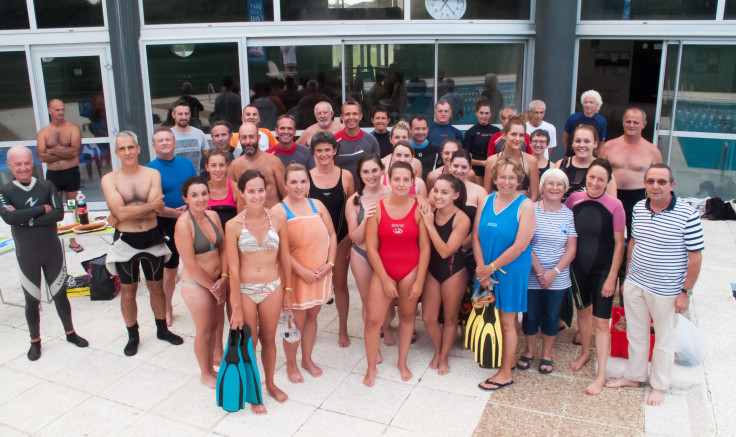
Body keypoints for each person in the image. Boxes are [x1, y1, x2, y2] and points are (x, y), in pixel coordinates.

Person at [606, 163, 704, 406]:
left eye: (661, 182)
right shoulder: (639, 207)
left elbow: (695, 257)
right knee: (635, 334)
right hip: (636, 284)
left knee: (663, 339)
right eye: (650, 181)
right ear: (645, 184)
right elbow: (633, 243)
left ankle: (659, 385)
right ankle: (634, 376)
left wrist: (685, 293)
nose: (655, 186)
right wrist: (628, 277)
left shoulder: (688, 215)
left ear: (672, 184)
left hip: (667, 291)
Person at [0, 146, 88, 361]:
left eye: (26, 163)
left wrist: (24, 218)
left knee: (60, 295)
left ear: (33, 163)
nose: (23, 168)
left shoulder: (46, 185)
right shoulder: (4, 191)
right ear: (9, 165)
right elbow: (9, 219)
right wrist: (41, 209)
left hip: (52, 252)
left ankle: (70, 333)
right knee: (32, 300)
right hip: (27, 255)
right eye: (17, 164)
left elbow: (58, 214)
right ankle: (35, 342)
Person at [102, 131, 183, 357]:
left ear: (138, 149)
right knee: (128, 291)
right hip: (126, 240)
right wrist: (131, 211)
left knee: (156, 287)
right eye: (122, 148)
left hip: (152, 237)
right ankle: (133, 335)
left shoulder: (152, 174)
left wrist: (123, 213)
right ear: (117, 152)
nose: (127, 152)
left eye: (131, 147)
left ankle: (162, 330)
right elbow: (122, 211)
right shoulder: (109, 179)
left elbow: (158, 207)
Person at [226, 170, 292, 413]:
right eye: (251, 191)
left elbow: (285, 257)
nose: (257, 196)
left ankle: (271, 383)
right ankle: (254, 392)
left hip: (272, 287)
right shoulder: (232, 225)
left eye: (261, 190)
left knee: (269, 339)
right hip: (244, 290)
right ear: (241, 193)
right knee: (250, 342)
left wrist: (288, 290)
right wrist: (235, 307)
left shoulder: (278, 218)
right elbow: (233, 268)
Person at [363, 161, 430, 387]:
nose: (401, 183)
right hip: (385, 270)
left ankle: (402, 362)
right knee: (373, 320)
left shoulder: (419, 209)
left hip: (410, 271)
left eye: (406, 179)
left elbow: (425, 247)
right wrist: (384, 279)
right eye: (397, 179)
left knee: (407, 317)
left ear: (413, 182)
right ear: (388, 181)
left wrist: (420, 280)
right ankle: (371, 366)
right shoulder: (377, 209)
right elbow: (371, 248)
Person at [565, 158, 625, 395]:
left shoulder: (615, 205)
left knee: (602, 322)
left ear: (608, 181)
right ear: (585, 177)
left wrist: (612, 277)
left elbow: (619, 244)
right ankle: (586, 352)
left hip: (603, 270)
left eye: (601, 178)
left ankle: (601, 374)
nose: (595, 182)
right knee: (583, 312)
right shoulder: (573, 200)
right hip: (579, 268)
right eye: (591, 177)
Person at [272, 164, 337, 382]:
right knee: (295, 323)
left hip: (320, 274)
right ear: (285, 185)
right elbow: (279, 249)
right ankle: (291, 365)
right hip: (296, 278)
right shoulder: (279, 211)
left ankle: (307, 359)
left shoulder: (317, 204)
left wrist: (330, 263)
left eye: (303, 181)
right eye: (294, 182)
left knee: (312, 317)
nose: (299, 186)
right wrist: (302, 272)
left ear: (309, 183)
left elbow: (332, 235)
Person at [475, 157, 535, 391]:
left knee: (508, 321)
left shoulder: (525, 205)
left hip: (511, 270)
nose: (507, 181)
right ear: (495, 179)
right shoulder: (487, 200)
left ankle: (505, 372)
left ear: (519, 179)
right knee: (488, 313)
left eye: (512, 177)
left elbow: (521, 245)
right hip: (485, 268)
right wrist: (482, 271)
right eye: (502, 177)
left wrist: (490, 268)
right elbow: (476, 237)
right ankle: (492, 354)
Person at [518, 169, 577, 375]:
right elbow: (524, 243)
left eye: (559, 185)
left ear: (565, 189)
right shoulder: (531, 209)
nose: (554, 188)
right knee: (531, 314)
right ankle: (529, 351)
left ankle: (547, 354)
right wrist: (541, 271)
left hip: (558, 279)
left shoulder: (568, 214)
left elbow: (571, 248)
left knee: (552, 316)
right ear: (542, 187)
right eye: (550, 184)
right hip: (532, 275)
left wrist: (554, 272)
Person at [174, 176, 227, 388]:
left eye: (204, 193)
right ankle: (205, 373)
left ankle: (212, 365)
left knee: (215, 326)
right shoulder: (183, 225)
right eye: (194, 195)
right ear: (185, 198)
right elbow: (191, 264)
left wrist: (224, 277)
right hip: (197, 284)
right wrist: (213, 287)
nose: (200, 199)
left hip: (217, 282)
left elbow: (222, 248)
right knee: (204, 330)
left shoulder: (213, 215)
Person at [146, 127, 198, 326]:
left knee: (200, 262)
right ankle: (167, 306)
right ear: (154, 146)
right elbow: (152, 203)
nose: (165, 143)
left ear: (175, 143)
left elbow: (196, 188)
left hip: (191, 219)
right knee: (171, 269)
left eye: (169, 139)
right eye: (160, 140)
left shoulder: (186, 164)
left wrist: (190, 208)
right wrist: (173, 213)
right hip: (166, 223)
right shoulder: (150, 169)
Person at [307, 132, 355, 347]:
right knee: (315, 285)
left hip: (342, 238)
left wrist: (351, 243)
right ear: (313, 153)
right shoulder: (306, 178)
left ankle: (342, 329)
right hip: (316, 242)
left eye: (328, 149)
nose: (324, 154)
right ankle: (310, 326)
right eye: (319, 150)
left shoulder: (345, 176)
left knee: (340, 284)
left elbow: (352, 208)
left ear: (335, 151)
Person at [420, 174, 471, 375]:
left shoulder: (462, 219)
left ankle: (443, 357)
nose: (438, 196)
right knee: (428, 319)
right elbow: (416, 196)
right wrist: (421, 200)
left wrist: (430, 225)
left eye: (444, 192)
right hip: (432, 270)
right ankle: (440, 348)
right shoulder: (429, 208)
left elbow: (445, 251)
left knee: (450, 319)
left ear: (456, 195)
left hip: (453, 271)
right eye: (435, 191)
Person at [346, 154, 396, 355]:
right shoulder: (355, 201)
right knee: (369, 303)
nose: (371, 175)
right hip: (361, 254)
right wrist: (366, 219)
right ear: (360, 174)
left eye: (375, 170)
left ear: (382, 171)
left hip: (387, 255)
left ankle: (387, 325)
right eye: (366, 171)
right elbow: (355, 238)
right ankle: (373, 347)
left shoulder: (393, 193)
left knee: (390, 303)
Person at [598, 108, 663, 238]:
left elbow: (659, 180)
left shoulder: (652, 151)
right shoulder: (609, 146)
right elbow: (598, 173)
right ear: (623, 123)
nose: (631, 125)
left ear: (644, 124)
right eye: (628, 121)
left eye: (636, 122)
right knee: (609, 236)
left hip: (638, 198)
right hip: (612, 195)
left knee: (637, 237)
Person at [36, 99, 84, 253]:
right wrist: (65, 153)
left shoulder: (72, 129)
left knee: (72, 207)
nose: (61, 112)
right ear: (50, 111)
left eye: (62, 109)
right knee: (54, 208)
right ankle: (54, 239)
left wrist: (50, 151)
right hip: (53, 175)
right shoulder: (43, 132)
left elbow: (75, 152)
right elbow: (41, 157)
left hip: (71, 173)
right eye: (57, 110)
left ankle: (73, 239)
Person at [228, 122, 286, 208]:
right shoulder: (234, 166)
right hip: (247, 218)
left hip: (272, 217)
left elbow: (286, 195)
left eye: (251, 137)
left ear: (258, 138)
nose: (248, 141)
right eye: (244, 137)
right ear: (239, 139)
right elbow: (232, 199)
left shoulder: (274, 162)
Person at [555, 125, 617, 201]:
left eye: (587, 141)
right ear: (572, 143)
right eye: (578, 141)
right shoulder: (561, 165)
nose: (582, 145)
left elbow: (612, 203)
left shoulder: (604, 169)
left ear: (595, 143)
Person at [484, 116, 539, 201]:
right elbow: (487, 194)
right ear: (504, 136)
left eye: (521, 135)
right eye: (513, 134)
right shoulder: (491, 161)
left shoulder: (531, 161)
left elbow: (534, 195)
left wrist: (523, 210)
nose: (517, 139)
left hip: (522, 209)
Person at [334, 100, 381, 190]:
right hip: (341, 193)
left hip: (366, 193)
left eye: (355, 114)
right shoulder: (333, 141)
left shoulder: (370, 141)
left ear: (360, 116)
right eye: (347, 114)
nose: (351, 117)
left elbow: (377, 170)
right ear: (342, 117)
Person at [463, 99, 500, 179]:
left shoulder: (496, 131)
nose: (484, 116)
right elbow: (465, 158)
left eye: (486, 113)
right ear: (476, 113)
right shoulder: (470, 132)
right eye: (481, 113)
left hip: (494, 172)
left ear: (490, 114)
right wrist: (483, 163)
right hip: (477, 173)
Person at [563, 90, 607, 155]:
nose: (588, 105)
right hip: (572, 156)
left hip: (591, 158)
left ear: (597, 104)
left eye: (591, 102)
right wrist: (571, 151)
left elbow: (601, 142)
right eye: (585, 102)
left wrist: (596, 156)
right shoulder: (573, 118)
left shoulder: (601, 120)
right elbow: (565, 139)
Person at [170, 99, 210, 172]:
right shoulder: (168, 135)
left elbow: (208, 157)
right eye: (180, 114)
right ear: (173, 114)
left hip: (196, 180)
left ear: (190, 114)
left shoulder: (199, 133)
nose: (184, 117)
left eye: (186, 113)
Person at [207, 149, 241, 226]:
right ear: (207, 167)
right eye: (213, 165)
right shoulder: (203, 190)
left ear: (227, 166)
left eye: (221, 165)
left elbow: (241, 220)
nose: (218, 169)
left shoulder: (236, 188)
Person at [409, 114, 439, 180]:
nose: (421, 132)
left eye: (424, 128)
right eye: (417, 129)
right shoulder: (405, 149)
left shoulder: (436, 149)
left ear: (428, 129)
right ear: (410, 129)